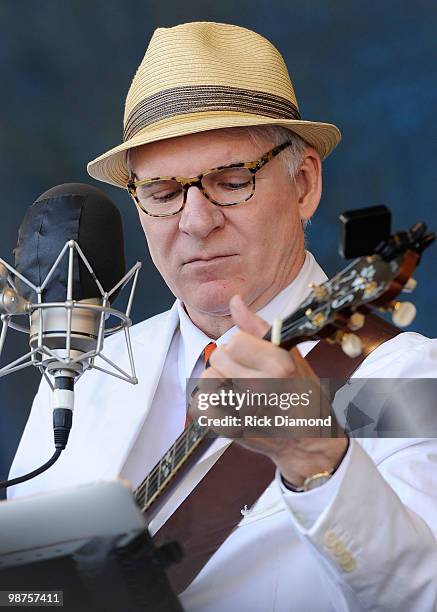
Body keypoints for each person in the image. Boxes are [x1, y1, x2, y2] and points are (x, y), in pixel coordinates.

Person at [8, 21, 437, 611]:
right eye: (162, 193)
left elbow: (422, 594)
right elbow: (27, 587)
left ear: (305, 183)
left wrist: (317, 458)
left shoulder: (405, 378)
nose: (195, 221)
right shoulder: (94, 367)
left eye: (231, 181)